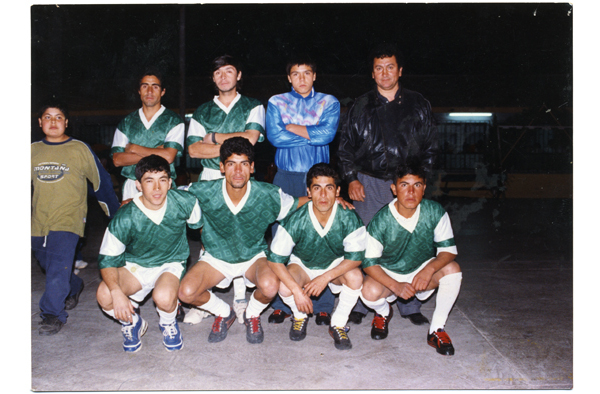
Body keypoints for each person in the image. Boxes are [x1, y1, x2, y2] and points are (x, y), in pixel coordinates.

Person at [338, 42, 438, 325]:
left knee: (407, 241)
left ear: (400, 70)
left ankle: (408, 304)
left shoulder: (419, 103)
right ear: (372, 73)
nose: (384, 73)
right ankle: (362, 302)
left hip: (407, 183)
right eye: (378, 68)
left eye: (390, 67)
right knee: (366, 242)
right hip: (369, 183)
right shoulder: (359, 106)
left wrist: (419, 183)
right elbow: (344, 148)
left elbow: (431, 147)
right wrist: (351, 179)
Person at [179, 137, 310, 345]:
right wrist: (136, 200)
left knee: (270, 286)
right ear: (222, 167)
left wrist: (326, 199)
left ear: (252, 167)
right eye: (231, 164)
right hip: (217, 257)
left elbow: (295, 203)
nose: (238, 171)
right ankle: (224, 312)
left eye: (244, 164)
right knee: (186, 292)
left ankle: (252, 314)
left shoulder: (268, 194)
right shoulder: (203, 190)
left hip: (252, 257)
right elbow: (169, 197)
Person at [186, 55, 266, 323]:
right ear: (213, 78)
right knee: (209, 235)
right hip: (210, 176)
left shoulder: (253, 106)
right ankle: (205, 298)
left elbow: (251, 140)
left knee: (241, 233)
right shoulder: (201, 111)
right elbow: (194, 149)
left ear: (239, 75)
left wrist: (212, 138)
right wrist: (235, 143)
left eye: (229, 71)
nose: (223, 76)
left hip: (240, 175)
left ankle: (241, 298)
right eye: (218, 72)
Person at [96, 155, 202, 352]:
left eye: (162, 180)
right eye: (149, 181)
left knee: (162, 297)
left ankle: (168, 323)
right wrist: (117, 292)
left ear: (170, 183)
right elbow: (107, 259)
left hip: (170, 263)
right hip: (135, 266)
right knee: (105, 294)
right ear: (138, 185)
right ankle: (132, 321)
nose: (157, 188)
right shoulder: (126, 216)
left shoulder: (185, 202)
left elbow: (202, 223)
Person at [32, 102, 119, 335]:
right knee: (50, 266)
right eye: (47, 117)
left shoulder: (80, 148)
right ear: (40, 123)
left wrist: (115, 215)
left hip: (69, 220)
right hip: (38, 222)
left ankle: (52, 314)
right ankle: (75, 285)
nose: (53, 121)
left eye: (58, 117)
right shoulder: (31, 150)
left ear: (66, 122)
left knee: (57, 268)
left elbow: (101, 182)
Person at [265, 56, 341, 325]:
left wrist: (292, 128)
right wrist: (311, 131)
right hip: (285, 177)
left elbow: (328, 135)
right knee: (280, 238)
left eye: (307, 73)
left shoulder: (329, 102)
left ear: (314, 75)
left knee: (321, 237)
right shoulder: (276, 102)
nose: (301, 78)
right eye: (296, 74)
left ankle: (322, 303)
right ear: (289, 77)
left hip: (318, 179)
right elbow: (274, 137)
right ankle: (280, 303)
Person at [360, 161, 462, 356]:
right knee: (368, 291)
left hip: (421, 270)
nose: (411, 192)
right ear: (394, 189)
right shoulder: (380, 221)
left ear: (424, 188)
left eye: (417, 185)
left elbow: (448, 250)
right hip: (390, 273)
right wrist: (396, 286)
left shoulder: (435, 211)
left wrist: (428, 269)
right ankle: (383, 313)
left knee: (453, 269)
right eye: (404, 185)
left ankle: (436, 330)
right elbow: (369, 263)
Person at [267, 163, 366, 350]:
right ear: (308, 192)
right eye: (317, 188)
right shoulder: (295, 218)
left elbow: (356, 257)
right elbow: (275, 259)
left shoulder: (349, 216)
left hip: (333, 264)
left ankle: (338, 323)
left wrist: (325, 277)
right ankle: (299, 315)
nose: (323, 195)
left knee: (355, 276)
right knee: (284, 285)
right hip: (303, 264)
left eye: (329, 188)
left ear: (337, 191)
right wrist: (298, 291)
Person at [111, 68, 185, 201]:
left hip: (161, 185)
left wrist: (134, 148)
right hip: (132, 185)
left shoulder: (174, 121)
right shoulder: (127, 122)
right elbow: (117, 160)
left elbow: (168, 157)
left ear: (163, 92)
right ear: (139, 91)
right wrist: (157, 152)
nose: (149, 91)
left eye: (155, 87)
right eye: (145, 86)